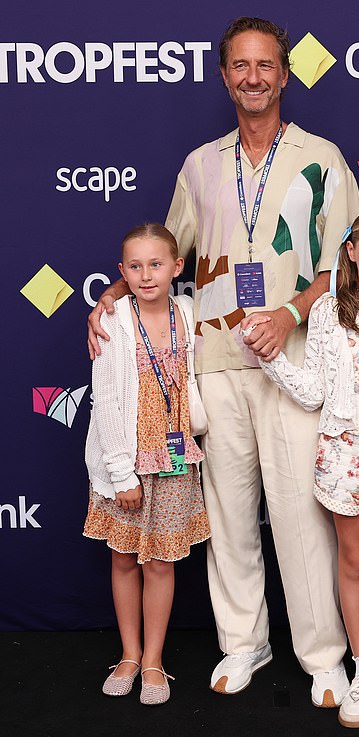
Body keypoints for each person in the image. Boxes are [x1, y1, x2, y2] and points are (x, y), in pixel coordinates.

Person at [87, 17, 359, 706]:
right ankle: (244, 641)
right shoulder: (200, 164)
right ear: (224, 76)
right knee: (231, 516)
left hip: (297, 361)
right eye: (240, 65)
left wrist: (290, 313)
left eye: (265, 64)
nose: (253, 76)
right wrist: (112, 294)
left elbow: (346, 265)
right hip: (213, 360)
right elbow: (166, 247)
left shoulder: (323, 158)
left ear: (284, 75)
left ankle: (323, 655)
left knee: (301, 514)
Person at [257, 208, 359, 728]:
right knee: (355, 561)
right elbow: (313, 392)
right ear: (350, 251)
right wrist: (269, 357)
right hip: (345, 454)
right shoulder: (328, 311)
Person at [84, 224, 210, 705]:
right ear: (121, 273)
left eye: (155, 264)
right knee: (123, 559)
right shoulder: (112, 322)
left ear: (177, 268)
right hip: (126, 463)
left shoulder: (188, 312)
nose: (145, 274)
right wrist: (121, 474)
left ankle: (154, 659)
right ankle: (129, 654)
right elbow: (107, 402)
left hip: (175, 460)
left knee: (160, 562)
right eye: (134, 266)